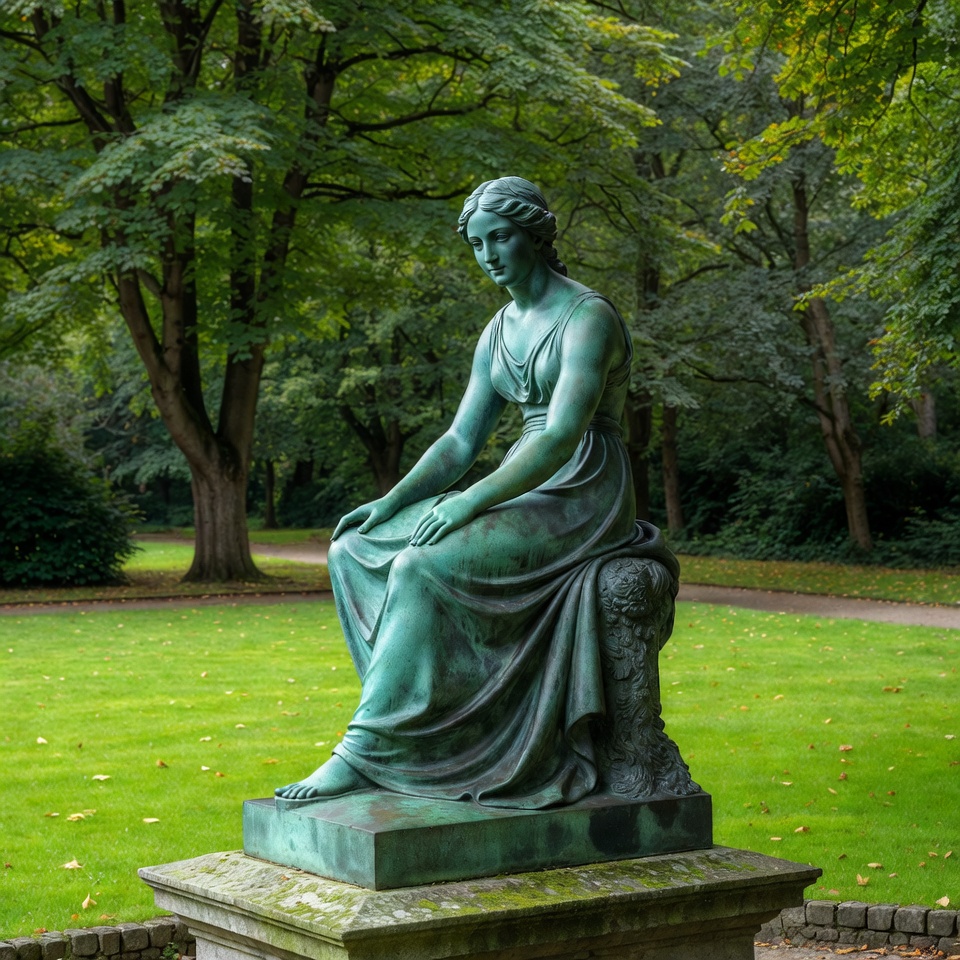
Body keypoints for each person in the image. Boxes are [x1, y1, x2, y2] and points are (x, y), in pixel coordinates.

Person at [276, 176, 677, 809]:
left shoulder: (588, 316)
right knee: (354, 548)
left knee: (420, 564)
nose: (489, 254)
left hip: (582, 487)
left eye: (502, 238)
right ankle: (423, 733)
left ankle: (364, 752)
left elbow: (560, 435)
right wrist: (392, 500)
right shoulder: (498, 329)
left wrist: (467, 502)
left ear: (537, 237)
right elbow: (460, 442)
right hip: (525, 477)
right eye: (478, 243)